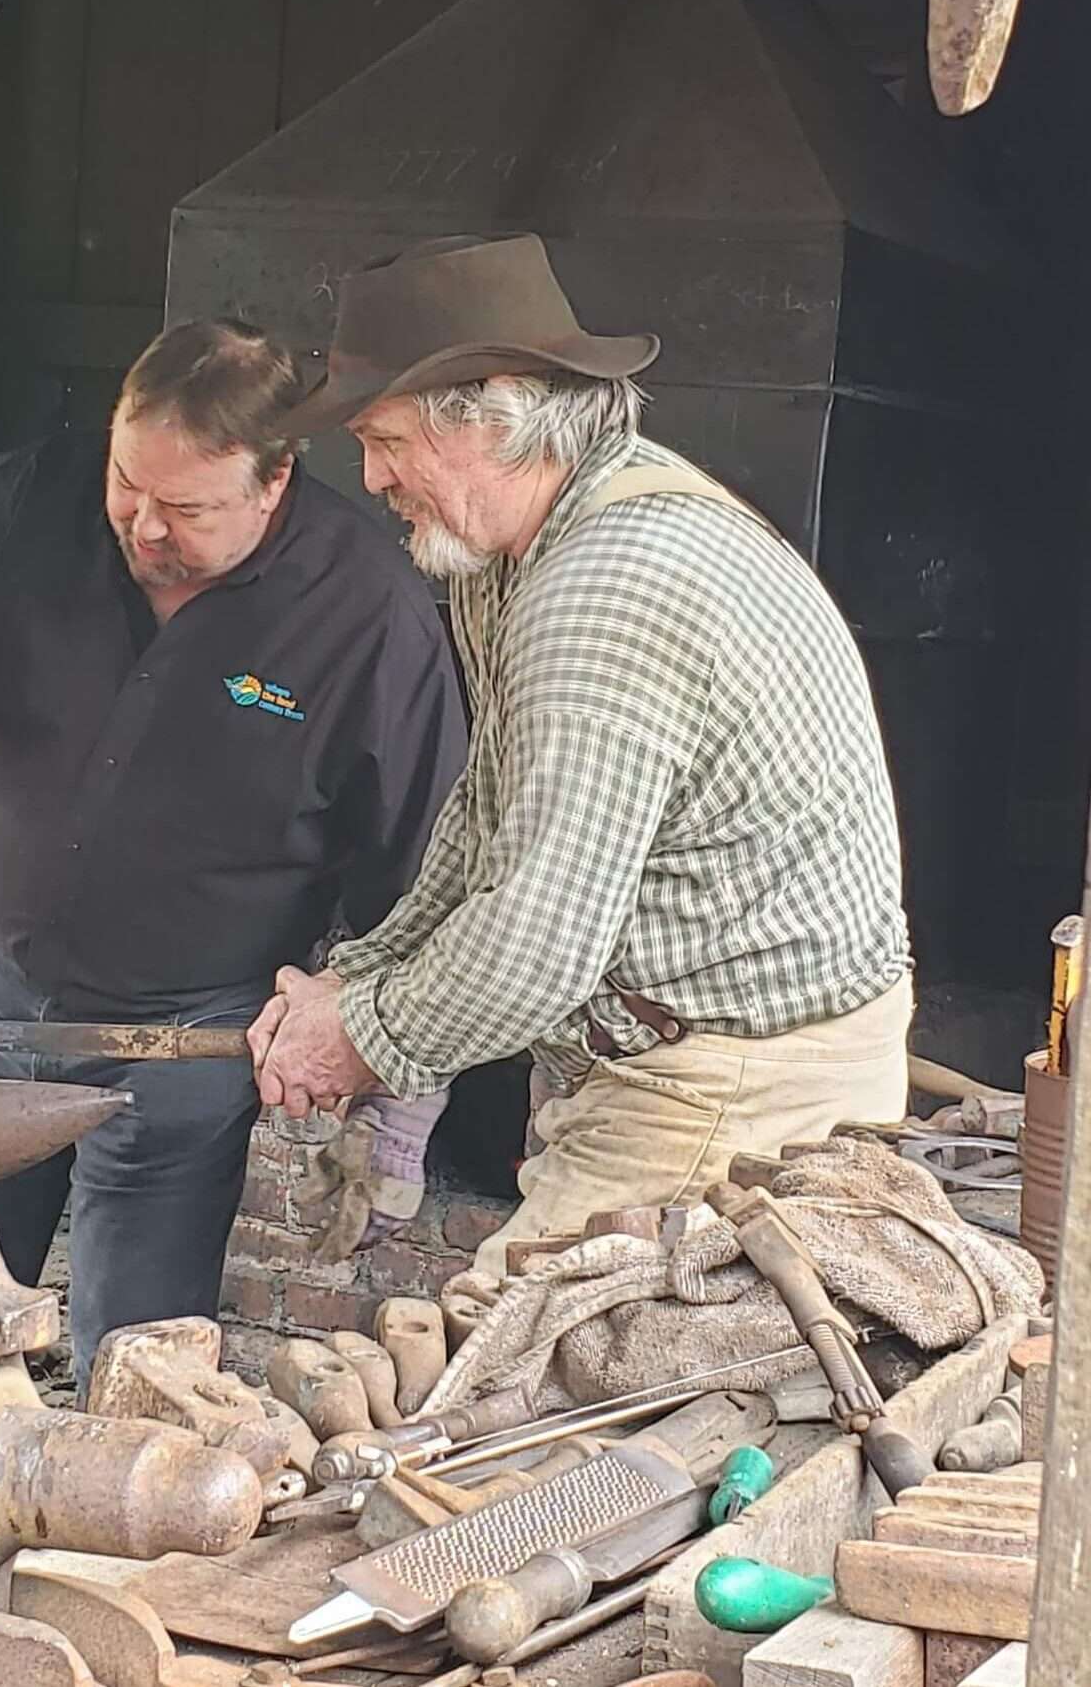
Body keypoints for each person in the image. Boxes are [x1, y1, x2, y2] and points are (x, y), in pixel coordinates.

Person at [0, 318, 466, 1382]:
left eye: (184, 507)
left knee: (138, 1370)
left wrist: (395, 1092)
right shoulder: (18, 502)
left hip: (183, 1043)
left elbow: (419, 869)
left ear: (274, 481)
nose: (143, 525)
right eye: (127, 483)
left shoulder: (366, 609)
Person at [247, 235, 914, 1275]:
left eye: (386, 439)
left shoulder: (602, 587)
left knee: (506, 1392)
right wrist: (360, 978)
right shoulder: (505, 554)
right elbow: (484, 821)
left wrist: (361, 1036)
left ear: (494, 413)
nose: (370, 476)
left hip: (733, 1083)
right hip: (661, 1056)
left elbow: (538, 939)